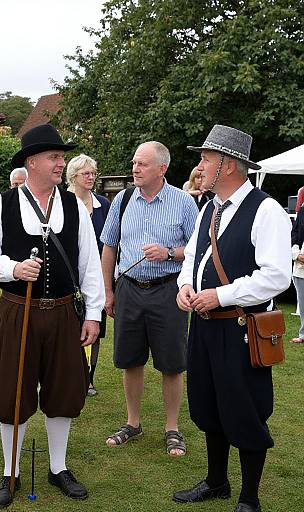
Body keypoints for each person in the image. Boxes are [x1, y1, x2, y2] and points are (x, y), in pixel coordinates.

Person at [0, 124, 105, 508]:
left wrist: (92, 314)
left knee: (63, 391)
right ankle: (10, 471)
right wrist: (13, 269)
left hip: (64, 312)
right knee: (13, 390)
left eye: (62, 158)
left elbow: (90, 264)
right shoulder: (3, 204)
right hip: (18, 311)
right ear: (32, 162)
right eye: (54, 157)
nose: (60, 164)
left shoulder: (74, 206)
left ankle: (58, 467)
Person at [174, 125, 291, 512]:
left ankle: (249, 498)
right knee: (208, 405)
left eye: (206, 158)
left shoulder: (266, 209)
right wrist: (185, 288)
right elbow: (193, 256)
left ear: (227, 164)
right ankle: (216, 482)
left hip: (240, 328)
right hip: (204, 326)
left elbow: (276, 276)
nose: (200, 165)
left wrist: (221, 294)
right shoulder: (209, 207)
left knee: (244, 409)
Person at [100, 141, 198, 455]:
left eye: (142, 164)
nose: (135, 169)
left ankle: (172, 428)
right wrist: (108, 291)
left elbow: (199, 250)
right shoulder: (123, 200)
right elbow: (109, 247)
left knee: (172, 364)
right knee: (130, 360)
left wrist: (169, 252)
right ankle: (133, 423)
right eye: (134, 163)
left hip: (168, 290)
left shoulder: (183, 202)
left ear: (162, 168)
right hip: (129, 288)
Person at [66, 153, 110, 396]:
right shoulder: (63, 202)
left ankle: (89, 378)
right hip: (70, 275)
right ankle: (71, 375)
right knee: (69, 326)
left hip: (97, 275)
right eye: (86, 173)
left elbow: (110, 241)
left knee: (95, 325)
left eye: (93, 173)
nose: (91, 177)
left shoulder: (103, 204)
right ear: (73, 176)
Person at [290, 199, 304, 342]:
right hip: (301, 266)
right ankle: (303, 334)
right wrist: (296, 254)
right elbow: (295, 234)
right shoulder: (303, 210)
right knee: (303, 301)